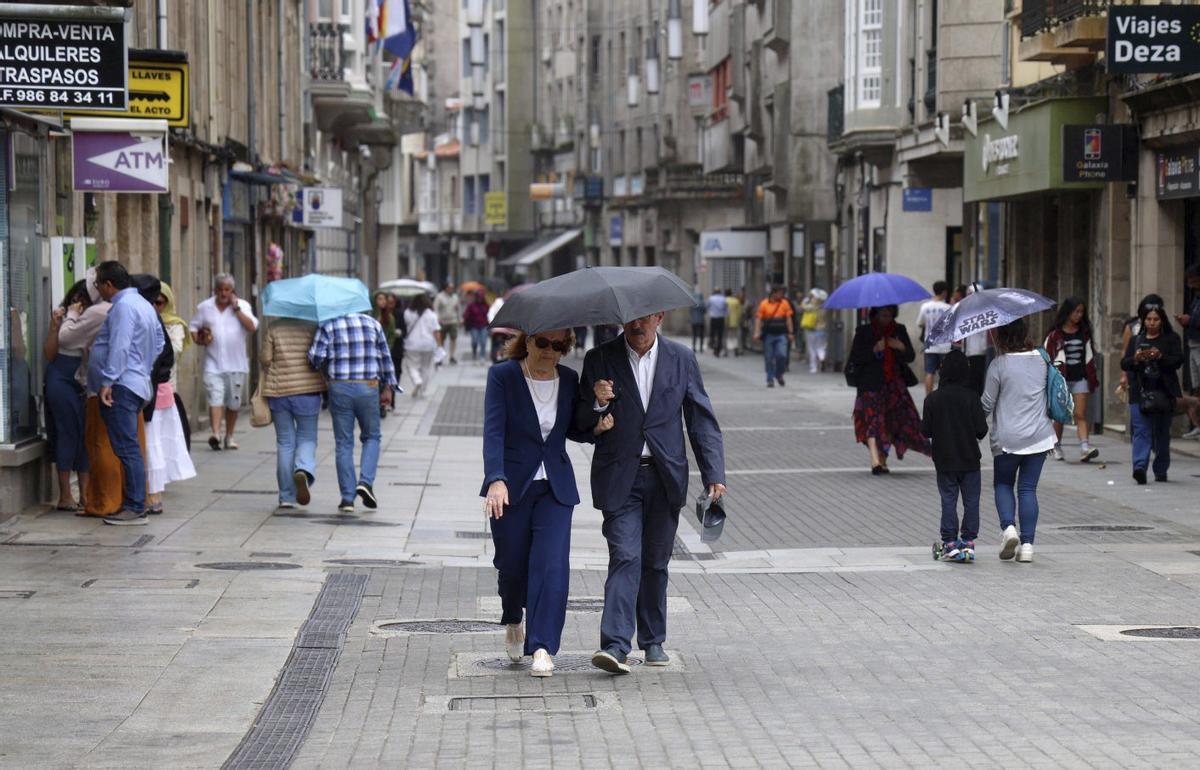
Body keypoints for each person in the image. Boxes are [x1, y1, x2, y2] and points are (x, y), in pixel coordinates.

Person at [575, 311, 726, 675]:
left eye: (644, 318)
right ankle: (615, 644)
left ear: (659, 317)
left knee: (656, 562)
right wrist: (597, 404)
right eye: (630, 319)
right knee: (625, 555)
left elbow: (700, 419)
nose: (637, 325)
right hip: (619, 477)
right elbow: (577, 423)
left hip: (664, 476)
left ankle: (653, 639)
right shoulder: (600, 358)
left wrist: (714, 474)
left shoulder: (681, 358)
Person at [482, 328, 613, 678]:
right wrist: (495, 478)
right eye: (543, 343)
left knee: (551, 565)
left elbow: (576, 427)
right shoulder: (503, 376)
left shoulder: (569, 379)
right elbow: (493, 430)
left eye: (559, 346)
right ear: (527, 342)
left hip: (555, 488)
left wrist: (598, 412)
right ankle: (513, 616)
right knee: (511, 565)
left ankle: (542, 647)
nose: (550, 351)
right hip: (511, 486)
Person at [87, 261, 164, 526]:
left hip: (122, 385)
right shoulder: (143, 304)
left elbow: (119, 345)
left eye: (98, 285)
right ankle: (136, 504)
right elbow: (159, 341)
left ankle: (134, 506)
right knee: (129, 446)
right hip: (137, 382)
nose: (97, 290)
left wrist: (108, 380)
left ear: (109, 285)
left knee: (127, 448)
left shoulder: (123, 307)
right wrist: (143, 366)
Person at [982, 318, 1057, 564]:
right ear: (1025, 332)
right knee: (1028, 489)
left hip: (1007, 438)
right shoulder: (1042, 360)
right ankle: (1027, 546)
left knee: (1003, 484)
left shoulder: (998, 364)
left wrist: (969, 419)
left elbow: (986, 404)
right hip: (1039, 435)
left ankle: (1009, 528)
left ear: (1001, 336)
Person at [308, 310, 398, 513]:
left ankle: (347, 498)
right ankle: (365, 482)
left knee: (343, 442)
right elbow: (385, 358)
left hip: (339, 386)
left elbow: (315, 357)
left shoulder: (329, 325)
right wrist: (389, 387)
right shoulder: (373, 323)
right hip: (368, 385)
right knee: (372, 436)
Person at [921, 351, 989, 563]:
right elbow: (981, 430)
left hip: (944, 460)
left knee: (948, 500)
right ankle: (968, 542)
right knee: (971, 501)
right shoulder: (972, 397)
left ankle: (950, 542)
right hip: (969, 459)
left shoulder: (932, 399)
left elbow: (926, 431)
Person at [848, 305, 929, 474]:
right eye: (883, 315)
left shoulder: (899, 330)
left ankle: (883, 459)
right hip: (869, 384)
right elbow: (856, 357)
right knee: (871, 421)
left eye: (889, 315)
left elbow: (910, 356)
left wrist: (900, 347)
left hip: (894, 385)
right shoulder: (864, 331)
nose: (886, 318)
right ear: (875, 314)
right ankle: (875, 460)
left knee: (892, 422)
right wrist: (874, 350)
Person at [262, 317, 326, 508]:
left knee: (285, 443)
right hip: (307, 391)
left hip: (279, 391)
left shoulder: (274, 327)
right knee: (307, 438)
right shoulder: (313, 327)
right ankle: (303, 469)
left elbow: (265, 358)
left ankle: (286, 496)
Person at [190, 274, 259, 451]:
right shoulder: (205, 307)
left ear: (232, 291)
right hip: (213, 362)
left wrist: (237, 310)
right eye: (220, 289)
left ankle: (229, 435)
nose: (223, 293)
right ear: (215, 290)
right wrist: (199, 339)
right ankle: (215, 434)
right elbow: (193, 326)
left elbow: (252, 327)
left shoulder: (243, 306)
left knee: (233, 403)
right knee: (215, 396)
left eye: (227, 290)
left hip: (236, 364)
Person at [145, 282, 196, 514]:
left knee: (155, 441)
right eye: (153, 302)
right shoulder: (148, 320)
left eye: (160, 302)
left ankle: (154, 493)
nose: (156, 306)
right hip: (154, 389)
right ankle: (152, 491)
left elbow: (171, 354)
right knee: (155, 441)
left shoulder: (174, 325)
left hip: (163, 389)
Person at [43, 280, 92, 511]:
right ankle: (64, 495)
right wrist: (55, 327)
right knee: (66, 432)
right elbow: (50, 355)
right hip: (60, 378)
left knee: (85, 435)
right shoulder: (63, 319)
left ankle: (85, 494)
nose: (78, 304)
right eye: (75, 299)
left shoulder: (93, 319)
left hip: (84, 380)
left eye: (83, 300)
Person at [1122, 306, 1184, 485]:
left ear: (1162, 321)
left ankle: (1161, 469)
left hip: (1164, 392)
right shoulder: (1136, 340)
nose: (1152, 323)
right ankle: (1139, 468)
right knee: (1141, 430)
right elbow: (1124, 363)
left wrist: (1160, 356)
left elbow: (1178, 361)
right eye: (1148, 319)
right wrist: (1136, 359)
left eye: (1155, 319)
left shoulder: (1171, 339)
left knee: (1162, 433)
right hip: (1140, 392)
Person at [1044, 297, 1099, 462]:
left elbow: (1090, 355)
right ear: (1068, 312)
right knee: (1061, 415)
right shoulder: (1055, 335)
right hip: (1062, 379)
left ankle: (1084, 447)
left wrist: (1092, 375)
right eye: (1076, 311)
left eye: (1081, 312)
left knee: (1080, 413)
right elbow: (1047, 357)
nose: (1079, 315)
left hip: (1081, 377)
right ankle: (1056, 446)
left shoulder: (1084, 333)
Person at [753, 285, 795, 388]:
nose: (782, 295)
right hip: (769, 335)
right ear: (773, 293)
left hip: (781, 335)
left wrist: (790, 332)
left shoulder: (784, 303)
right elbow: (758, 319)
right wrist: (757, 332)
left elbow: (789, 319)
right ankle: (770, 379)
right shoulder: (764, 304)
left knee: (782, 355)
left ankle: (779, 374)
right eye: (780, 293)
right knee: (769, 358)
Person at [917, 281, 953, 395]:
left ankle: (929, 397)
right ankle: (944, 397)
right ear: (943, 292)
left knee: (929, 372)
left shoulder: (925, 307)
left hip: (930, 345)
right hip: (945, 346)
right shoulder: (948, 307)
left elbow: (920, 323)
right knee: (945, 374)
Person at [403, 293, 441, 398]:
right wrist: (439, 346)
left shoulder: (408, 313)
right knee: (426, 368)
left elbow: (406, 325)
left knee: (411, 365)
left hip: (412, 344)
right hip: (428, 344)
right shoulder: (432, 314)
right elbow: (436, 331)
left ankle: (417, 380)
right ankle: (423, 391)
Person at [1178, 265, 1200, 432]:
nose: (1191, 286)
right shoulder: (1196, 297)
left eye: (1193, 281)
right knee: (1197, 385)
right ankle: (1197, 423)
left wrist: (1190, 320)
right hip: (1193, 344)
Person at [960, 283, 990, 396]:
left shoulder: (983, 311)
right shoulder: (965, 310)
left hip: (978, 351)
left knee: (977, 379)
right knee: (968, 379)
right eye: (968, 294)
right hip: (967, 351)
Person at [800, 288, 828, 374]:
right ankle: (822, 358)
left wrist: (806, 299)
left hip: (811, 330)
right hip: (822, 330)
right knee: (821, 347)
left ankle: (813, 368)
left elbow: (802, 306)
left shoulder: (810, 307)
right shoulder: (824, 307)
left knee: (812, 349)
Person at [434, 282, 462, 365]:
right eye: (450, 288)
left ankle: (452, 356)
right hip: (442, 321)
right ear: (446, 288)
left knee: (453, 338)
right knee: (441, 340)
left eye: (452, 288)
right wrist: (437, 318)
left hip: (453, 321)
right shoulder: (439, 297)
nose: (451, 290)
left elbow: (458, 309)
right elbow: (435, 308)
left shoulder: (455, 297)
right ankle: (441, 357)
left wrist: (460, 319)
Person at [463, 290, 491, 362]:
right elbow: (466, 316)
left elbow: (490, 315)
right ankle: (474, 351)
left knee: (483, 341)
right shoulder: (471, 305)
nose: (479, 299)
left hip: (484, 326)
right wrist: (466, 327)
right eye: (478, 297)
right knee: (475, 341)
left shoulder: (486, 305)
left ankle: (482, 356)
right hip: (474, 326)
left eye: (481, 297)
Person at [706, 288, 727, 356]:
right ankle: (718, 348)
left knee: (713, 334)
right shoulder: (723, 298)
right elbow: (725, 309)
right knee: (720, 335)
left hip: (713, 318)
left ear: (714, 292)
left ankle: (714, 346)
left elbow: (707, 306)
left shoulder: (711, 298)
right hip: (721, 318)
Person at [724, 289, 742, 357]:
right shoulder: (736, 301)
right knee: (735, 336)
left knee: (725, 336)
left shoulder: (724, 301)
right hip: (735, 321)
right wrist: (738, 319)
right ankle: (736, 349)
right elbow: (739, 312)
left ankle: (726, 351)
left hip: (726, 321)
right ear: (731, 293)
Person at [688, 288, 706, 353]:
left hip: (694, 321)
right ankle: (701, 347)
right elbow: (705, 311)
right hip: (701, 321)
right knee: (701, 334)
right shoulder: (702, 302)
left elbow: (690, 311)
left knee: (694, 334)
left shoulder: (692, 303)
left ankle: (694, 347)